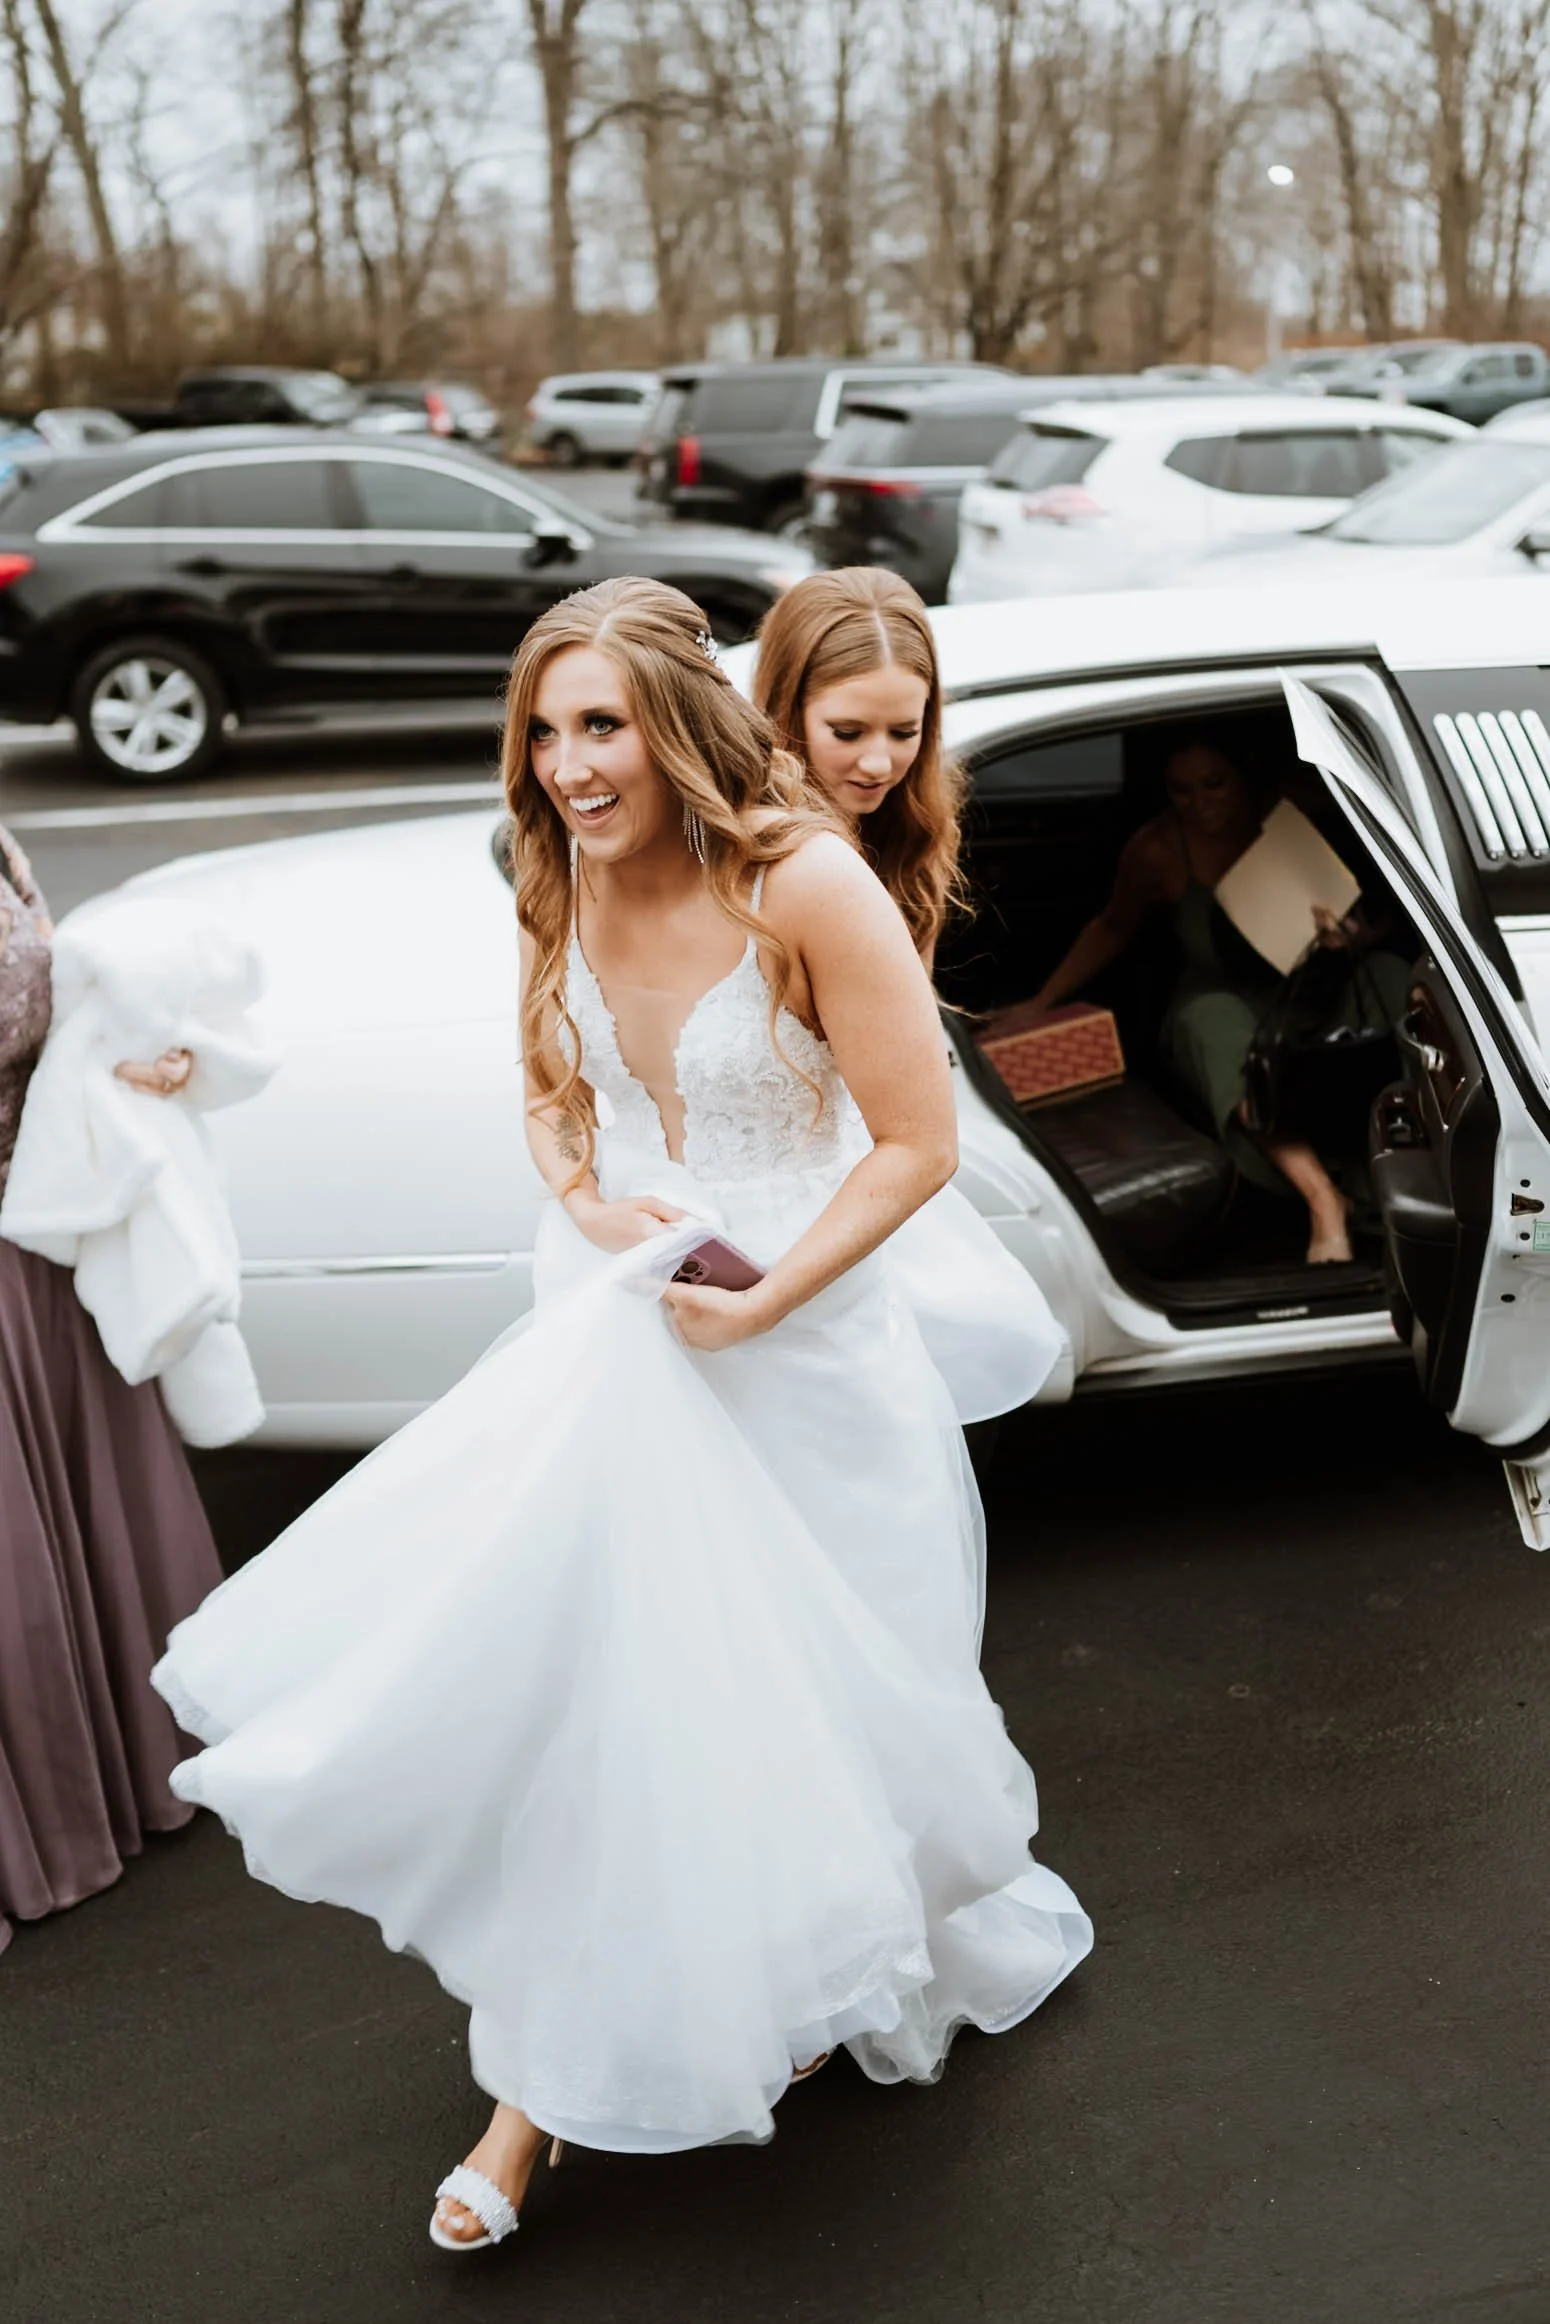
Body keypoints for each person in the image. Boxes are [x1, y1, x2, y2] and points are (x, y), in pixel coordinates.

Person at [153, 578, 1091, 2255]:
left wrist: (768, 1292)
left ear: (674, 725)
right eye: (545, 727)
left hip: (802, 1344)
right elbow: (547, 1086)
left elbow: (915, 1143)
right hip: (619, 1328)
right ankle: (533, 2101)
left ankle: (792, 1977)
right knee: (612, 1705)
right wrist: (584, 1194)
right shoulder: (556, 871)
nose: (570, 763)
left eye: (600, 725)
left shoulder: (805, 878)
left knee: (812, 1707)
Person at [753, 566, 1065, 1419]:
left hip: (881, 1160)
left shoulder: (909, 839)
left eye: (904, 730)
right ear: (784, 711)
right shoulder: (748, 859)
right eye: (846, 729)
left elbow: (899, 1042)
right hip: (781, 1184)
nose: (879, 760)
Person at [0, 827, 222, 1954]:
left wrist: (118, 1057)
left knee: (78, 1537)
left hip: (39, 1247)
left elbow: (43, 994)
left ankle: (116, 1780)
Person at [1026, 734, 1399, 1265]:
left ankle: (1420, 1168)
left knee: (1395, 976)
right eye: (1182, 790)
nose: (1201, 803)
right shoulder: (1159, 849)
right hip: (1222, 998)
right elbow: (1111, 928)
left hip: (1317, 988)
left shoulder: (1295, 811)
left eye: (1214, 784)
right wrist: (1039, 1003)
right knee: (1211, 1022)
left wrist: (1352, 936)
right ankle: (1324, 1200)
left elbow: (1387, 908)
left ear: (1245, 778)